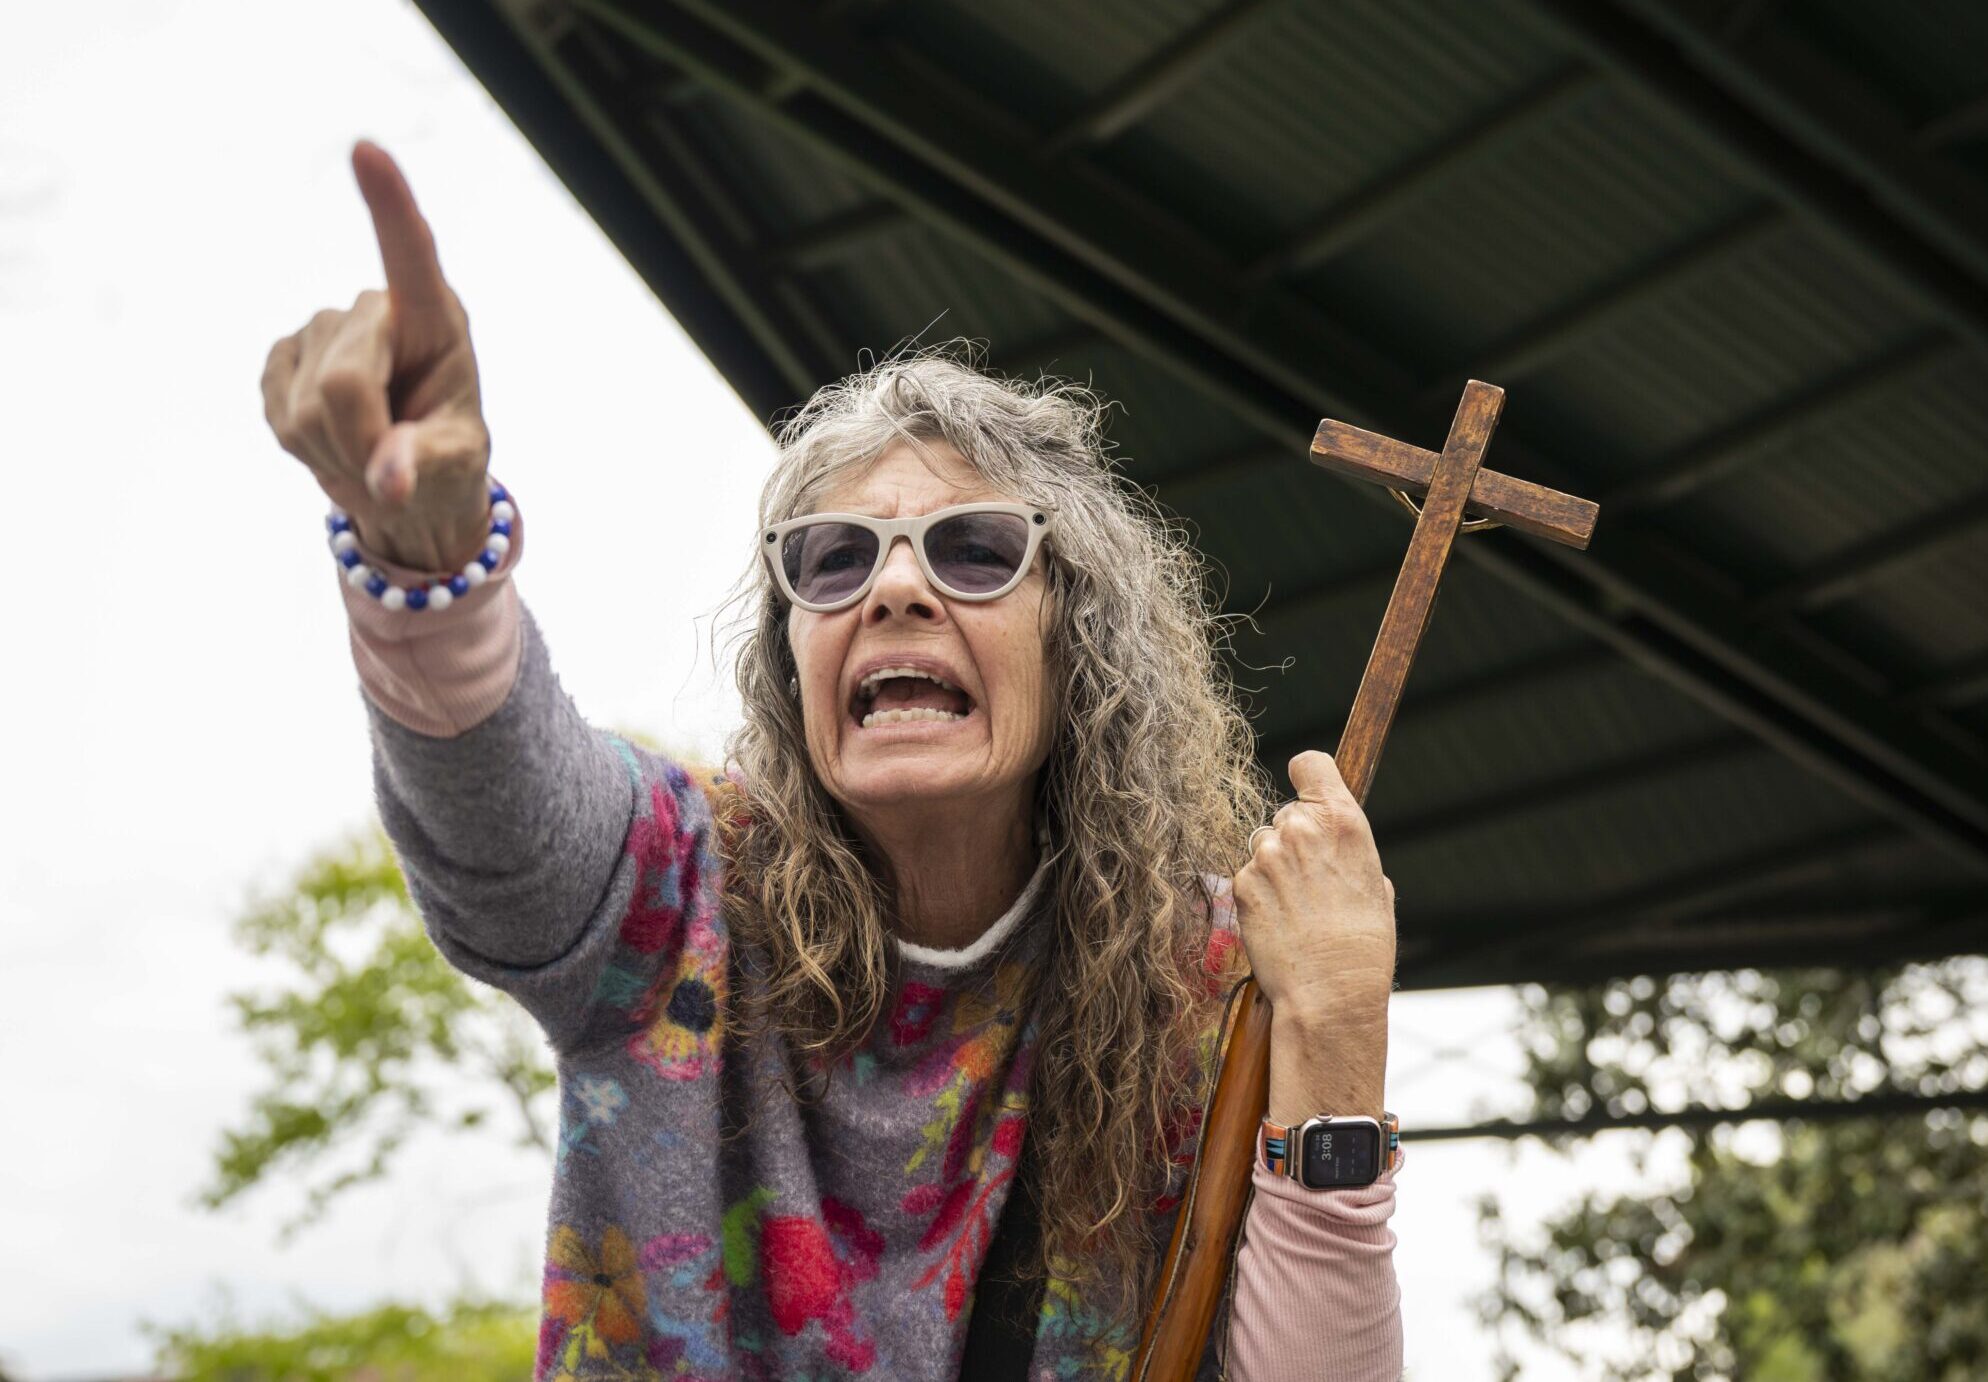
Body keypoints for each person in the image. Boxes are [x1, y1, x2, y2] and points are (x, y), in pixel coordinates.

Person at [262, 138, 1405, 1381]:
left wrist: (1336, 1029)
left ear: (1076, 639)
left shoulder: (1201, 982)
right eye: (835, 557)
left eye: (974, 549)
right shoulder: (675, 895)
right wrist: (429, 564)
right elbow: (503, 832)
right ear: (791, 651)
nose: (895, 587)